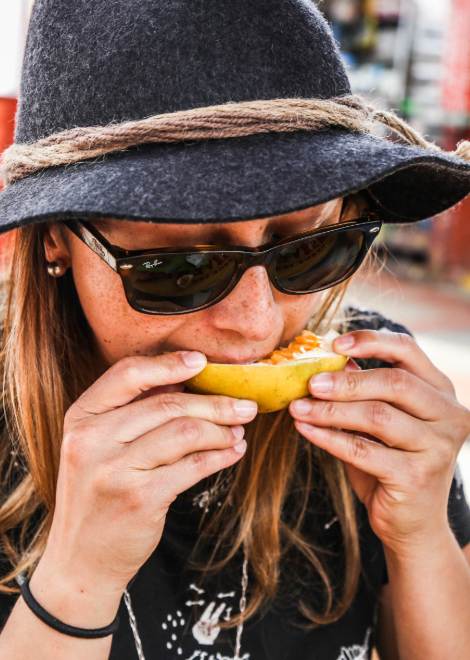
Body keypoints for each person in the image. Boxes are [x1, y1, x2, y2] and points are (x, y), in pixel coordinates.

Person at [0, 1, 469, 659]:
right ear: (54, 241)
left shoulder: (380, 393)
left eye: (309, 249)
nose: (256, 323)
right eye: (181, 268)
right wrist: (78, 578)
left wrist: (419, 534)